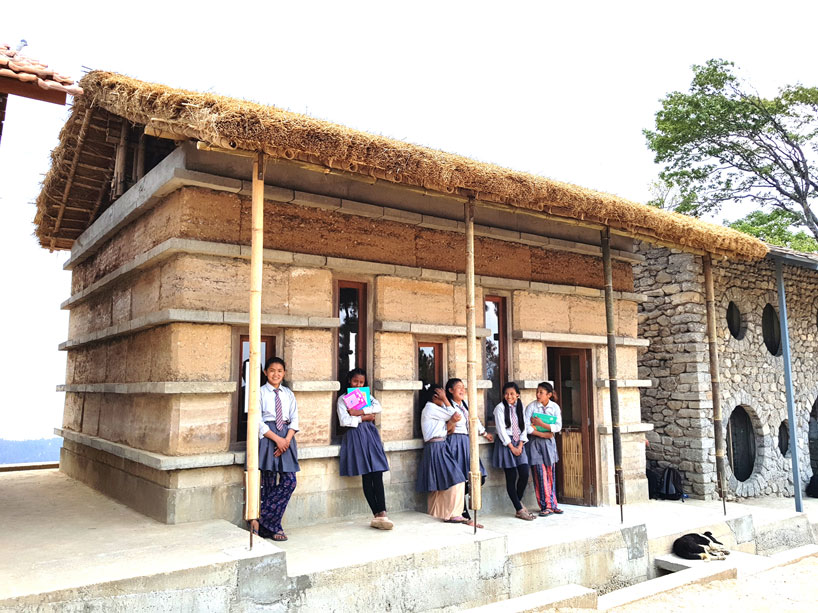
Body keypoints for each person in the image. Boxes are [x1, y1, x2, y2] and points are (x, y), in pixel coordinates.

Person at [337, 368, 393, 530]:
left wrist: (359, 411)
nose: (358, 385)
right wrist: (364, 418)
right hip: (355, 436)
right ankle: (376, 513)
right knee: (367, 474)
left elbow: (378, 407)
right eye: (355, 381)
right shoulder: (343, 399)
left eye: (361, 382)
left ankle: (383, 513)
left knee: (377, 472)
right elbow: (344, 420)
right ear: (349, 380)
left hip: (370, 435)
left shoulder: (367, 397)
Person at [250, 357, 299, 541]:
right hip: (268, 437)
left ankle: (259, 519)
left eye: (279, 370)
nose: (276, 374)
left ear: (284, 373)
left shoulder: (288, 394)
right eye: (272, 370)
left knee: (289, 482)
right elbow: (256, 419)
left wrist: (285, 440)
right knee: (268, 483)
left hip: (287, 438)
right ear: (265, 372)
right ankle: (273, 527)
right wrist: (276, 439)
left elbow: (294, 418)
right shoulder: (260, 392)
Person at [416, 383, 468, 523]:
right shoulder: (431, 408)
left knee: (437, 484)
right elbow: (457, 416)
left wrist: (451, 419)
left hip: (439, 445)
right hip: (436, 446)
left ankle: (436, 513)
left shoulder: (435, 409)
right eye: (442, 395)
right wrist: (446, 399)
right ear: (435, 397)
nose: (445, 398)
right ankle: (454, 513)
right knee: (457, 479)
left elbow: (451, 424)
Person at [445, 378, 492, 527]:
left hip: (467, 443)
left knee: (479, 477)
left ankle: (454, 503)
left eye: (463, 387)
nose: (462, 390)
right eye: (458, 387)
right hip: (455, 442)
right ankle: (464, 514)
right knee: (460, 480)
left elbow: (474, 420)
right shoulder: (448, 406)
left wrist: (484, 433)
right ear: (450, 390)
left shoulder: (465, 405)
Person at [492, 382, 534, 520]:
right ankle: (519, 509)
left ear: (517, 394)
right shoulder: (499, 408)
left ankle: (518, 504)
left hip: (519, 442)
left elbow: (523, 426)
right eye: (506, 394)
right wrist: (511, 447)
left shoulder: (520, 407)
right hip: (506, 443)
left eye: (511, 394)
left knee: (524, 473)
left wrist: (521, 445)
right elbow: (501, 430)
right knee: (511, 477)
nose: (508, 396)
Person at [525, 382, 564, 516]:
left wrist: (541, 424)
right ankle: (544, 505)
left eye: (541, 392)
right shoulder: (531, 407)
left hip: (549, 443)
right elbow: (527, 427)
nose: (538, 394)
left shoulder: (554, 407)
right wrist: (544, 432)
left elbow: (558, 426)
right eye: (537, 391)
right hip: (535, 442)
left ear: (549, 395)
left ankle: (553, 504)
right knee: (539, 473)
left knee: (550, 472)